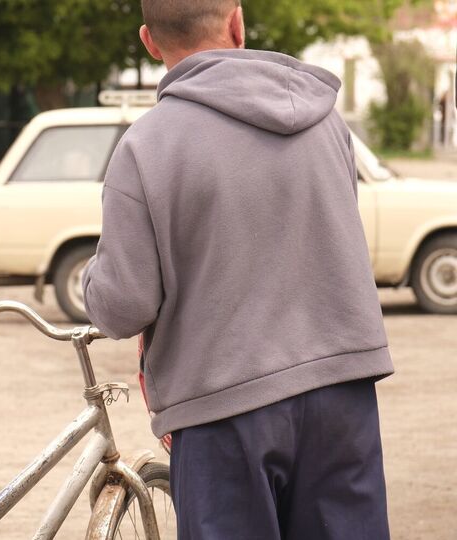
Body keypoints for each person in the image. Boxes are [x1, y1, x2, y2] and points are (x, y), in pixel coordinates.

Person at [82, 1, 394, 538]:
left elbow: (123, 305)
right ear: (236, 22)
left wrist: (95, 276)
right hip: (342, 392)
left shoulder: (146, 146)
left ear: (150, 42)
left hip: (222, 410)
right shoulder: (326, 120)